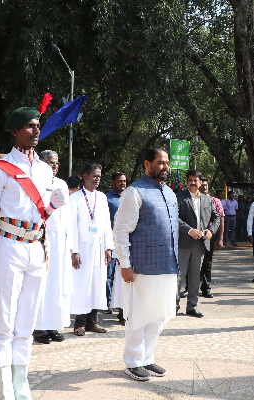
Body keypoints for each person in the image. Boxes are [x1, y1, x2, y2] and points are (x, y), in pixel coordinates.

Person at [0, 104, 65, 398]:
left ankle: (22, 385)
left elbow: (42, 213)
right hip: (8, 246)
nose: (36, 130)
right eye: (29, 126)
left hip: (36, 247)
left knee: (27, 323)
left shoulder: (44, 170)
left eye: (38, 125)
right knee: (4, 323)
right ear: (15, 131)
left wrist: (53, 204)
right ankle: (5, 389)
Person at [112, 146, 178, 381]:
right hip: (142, 266)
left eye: (167, 162)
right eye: (160, 162)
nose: (165, 166)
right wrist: (125, 263)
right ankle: (132, 361)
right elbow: (121, 231)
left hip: (168, 265)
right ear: (146, 164)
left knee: (159, 315)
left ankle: (147, 358)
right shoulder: (134, 192)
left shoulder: (169, 192)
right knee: (139, 316)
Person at [33, 150, 74, 344]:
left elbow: (67, 216)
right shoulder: (34, 181)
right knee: (42, 284)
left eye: (57, 163)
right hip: (42, 239)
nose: (55, 166)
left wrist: (71, 246)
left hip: (60, 243)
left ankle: (52, 325)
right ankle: (38, 328)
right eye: (50, 162)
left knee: (56, 285)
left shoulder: (62, 184)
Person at [70, 163, 114, 336]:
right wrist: (74, 251)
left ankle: (93, 322)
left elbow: (107, 223)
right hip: (82, 247)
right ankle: (79, 323)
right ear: (84, 176)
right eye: (94, 176)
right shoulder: (75, 198)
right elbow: (72, 225)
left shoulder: (102, 197)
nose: (97, 179)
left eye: (99, 176)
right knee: (83, 285)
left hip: (99, 247)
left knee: (97, 283)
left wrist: (108, 247)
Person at [176, 170, 219, 318]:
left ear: (200, 182)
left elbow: (216, 218)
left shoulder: (208, 200)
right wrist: (189, 230)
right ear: (187, 181)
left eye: (196, 180)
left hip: (201, 244)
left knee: (195, 276)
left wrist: (211, 231)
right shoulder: (180, 198)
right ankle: (173, 307)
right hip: (183, 242)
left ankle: (192, 306)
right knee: (178, 277)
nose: (193, 182)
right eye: (190, 180)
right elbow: (174, 218)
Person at [105, 171, 128, 316]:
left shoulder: (129, 198)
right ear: (113, 182)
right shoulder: (107, 198)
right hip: (110, 242)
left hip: (124, 243)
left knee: (121, 275)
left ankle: (120, 305)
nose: (123, 183)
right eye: (120, 181)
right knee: (108, 274)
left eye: (124, 181)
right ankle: (106, 303)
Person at [199, 178, 223, 297]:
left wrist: (220, 238)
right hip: (195, 234)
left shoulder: (215, 201)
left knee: (207, 262)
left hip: (209, 234)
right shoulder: (194, 200)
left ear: (208, 187)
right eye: (201, 185)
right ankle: (189, 287)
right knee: (191, 260)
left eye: (205, 185)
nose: (203, 187)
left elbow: (220, 219)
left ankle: (206, 287)